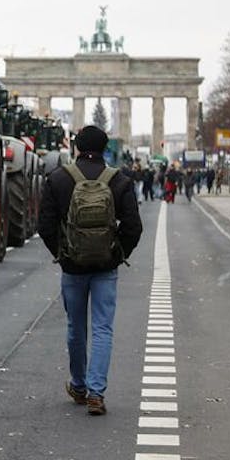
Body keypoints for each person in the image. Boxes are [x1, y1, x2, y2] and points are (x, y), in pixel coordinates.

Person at [38, 125, 142, 416]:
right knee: (102, 328)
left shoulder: (58, 179)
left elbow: (44, 226)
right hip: (105, 267)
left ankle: (79, 385)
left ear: (76, 147)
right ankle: (96, 393)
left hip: (72, 267)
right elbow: (134, 227)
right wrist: (117, 254)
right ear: (105, 148)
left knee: (75, 327)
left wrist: (62, 253)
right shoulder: (119, 180)